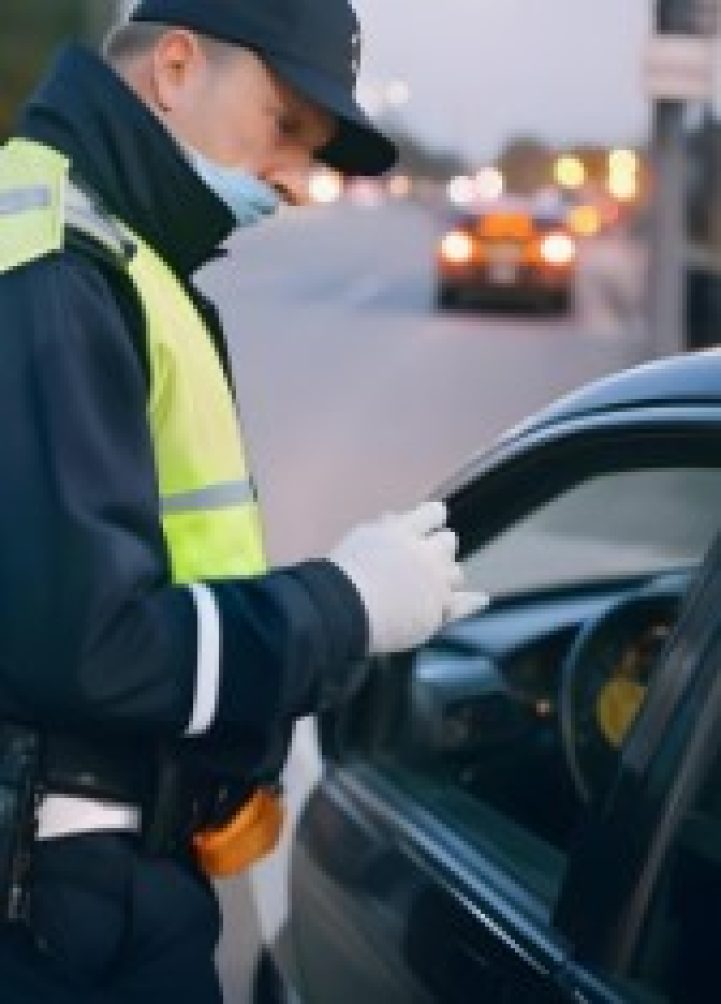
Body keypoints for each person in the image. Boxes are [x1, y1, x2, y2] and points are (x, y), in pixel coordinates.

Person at [0, 0, 482, 999]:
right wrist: (340, 603)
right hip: (61, 908)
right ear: (176, 67)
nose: (295, 179)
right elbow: (94, 651)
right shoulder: (58, 265)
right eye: (285, 125)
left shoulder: (108, 247)